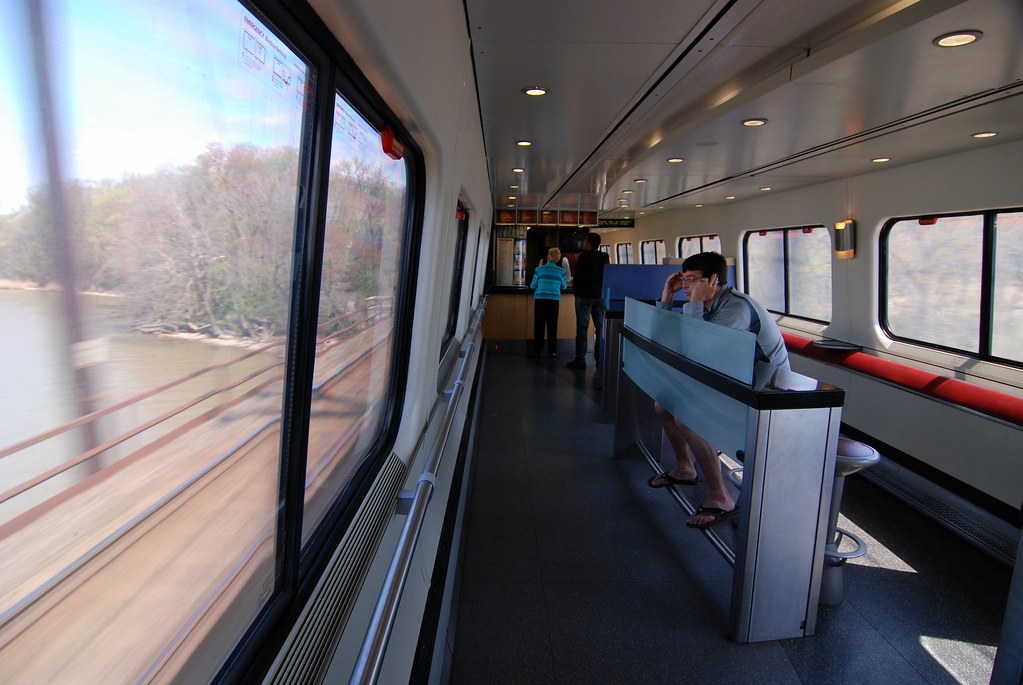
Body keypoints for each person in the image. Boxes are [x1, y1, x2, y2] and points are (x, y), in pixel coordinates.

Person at [647, 251, 789, 529]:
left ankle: (720, 496)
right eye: (683, 280)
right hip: (732, 378)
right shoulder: (708, 304)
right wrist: (667, 297)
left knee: (688, 417)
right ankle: (686, 468)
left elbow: (700, 351)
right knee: (663, 404)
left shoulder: (735, 308)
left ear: (714, 280)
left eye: (692, 280)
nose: (686, 286)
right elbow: (661, 337)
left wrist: (694, 303)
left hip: (763, 390)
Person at [566, 233, 610, 370]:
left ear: (589, 243)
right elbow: (607, 275)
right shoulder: (604, 257)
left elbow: (578, 276)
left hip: (584, 296)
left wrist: (576, 293)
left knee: (582, 328)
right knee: (600, 327)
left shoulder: (583, 257)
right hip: (599, 296)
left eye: (585, 241)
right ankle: (600, 358)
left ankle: (580, 360)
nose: (584, 243)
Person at [530, 247, 567, 357]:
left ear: (548, 256)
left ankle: (537, 350)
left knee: (539, 325)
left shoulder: (538, 270)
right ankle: (552, 351)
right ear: (558, 257)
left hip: (540, 300)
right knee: (552, 326)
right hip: (554, 301)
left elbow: (533, 285)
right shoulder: (561, 271)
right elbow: (564, 287)